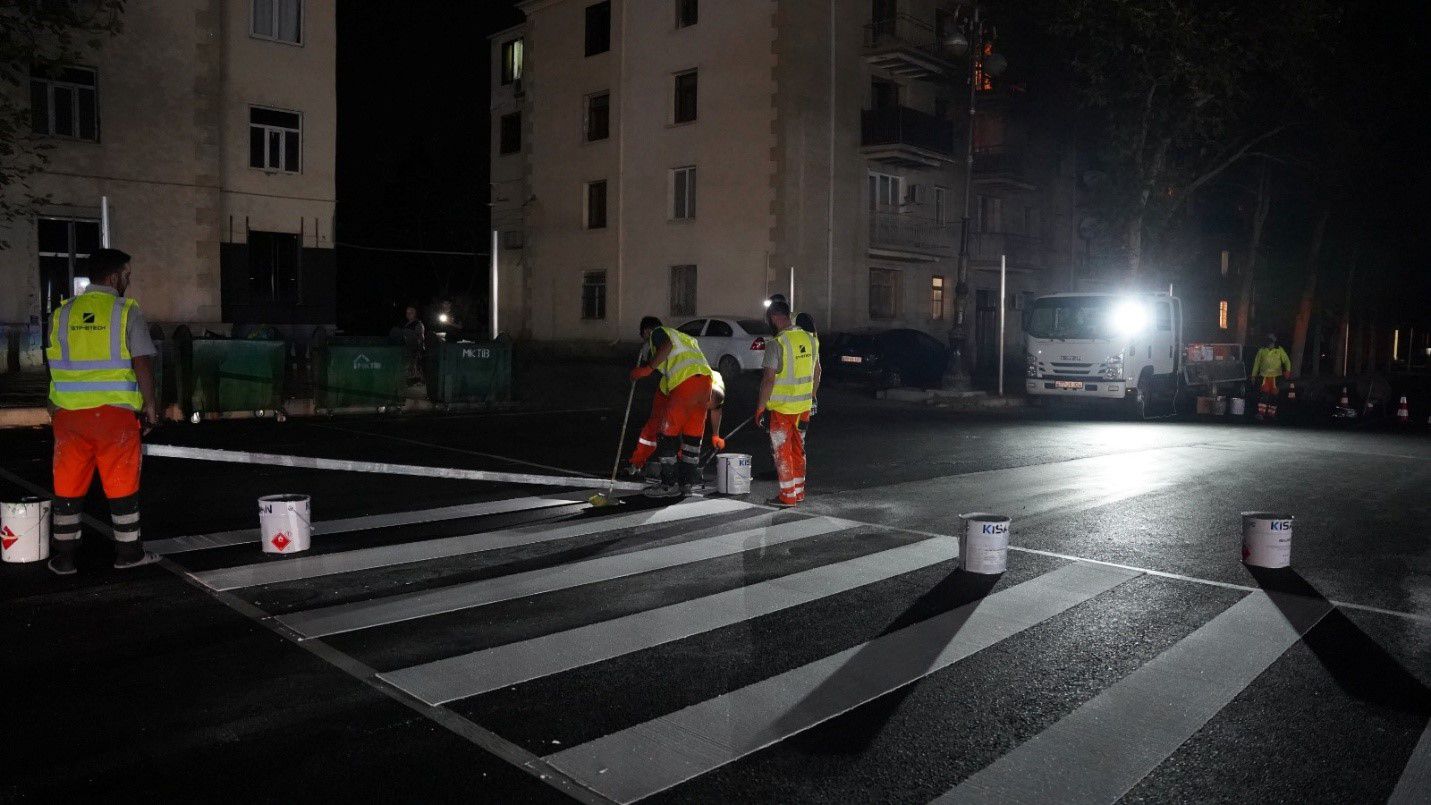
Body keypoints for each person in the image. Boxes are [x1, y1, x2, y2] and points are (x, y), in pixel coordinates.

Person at [44, 248, 161, 575]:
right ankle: (128, 554)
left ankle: (64, 558)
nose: (128, 280)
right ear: (113, 277)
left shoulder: (62, 313)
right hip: (113, 415)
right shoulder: (126, 312)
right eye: (126, 275)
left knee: (67, 484)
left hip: (68, 415)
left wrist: (53, 402)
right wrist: (150, 406)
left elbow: (52, 360)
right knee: (122, 484)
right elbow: (141, 361)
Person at [631, 316, 715, 497]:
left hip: (686, 384)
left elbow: (666, 345)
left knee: (667, 434)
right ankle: (687, 483)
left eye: (645, 338)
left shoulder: (658, 333)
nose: (648, 343)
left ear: (646, 331)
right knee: (692, 439)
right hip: (705, 384)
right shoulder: (684, 339)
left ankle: (669, 485)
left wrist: (648, 368)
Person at [754, 299, 820, 507]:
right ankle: (798, 492)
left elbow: (768, 379)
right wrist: (811, 398)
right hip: (803, 409)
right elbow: (817, 372)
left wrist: (760, 407)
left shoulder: (777, 343)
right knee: (798, 450)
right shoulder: (810, 339)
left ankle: (787, 496)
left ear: (774, 317)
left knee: (782, 453)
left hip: (782, 410)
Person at [1250, 333, 1291, 421]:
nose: (1270, 343)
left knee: (1275, 396)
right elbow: (1256, 364)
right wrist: (1253, 375)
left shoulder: (1279, 350)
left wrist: (1288, 371)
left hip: (1276, 377)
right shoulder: (1262, 351)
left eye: (1272, 342)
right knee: (1264, 395)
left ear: (1274, 342)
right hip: (1264, 377)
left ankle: (1272, 414)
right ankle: (1261, 414)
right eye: (1269, 342)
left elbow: (1287, 361)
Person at [402, 304, 426, 386]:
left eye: (411, 312)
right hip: (407, 350)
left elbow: (421, 339)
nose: (408, 314)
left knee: (414, 370)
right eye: (407, 312)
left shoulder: (418, 324)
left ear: (415, 313)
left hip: (415, 351)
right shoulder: (406, 324)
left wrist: (418, 351)